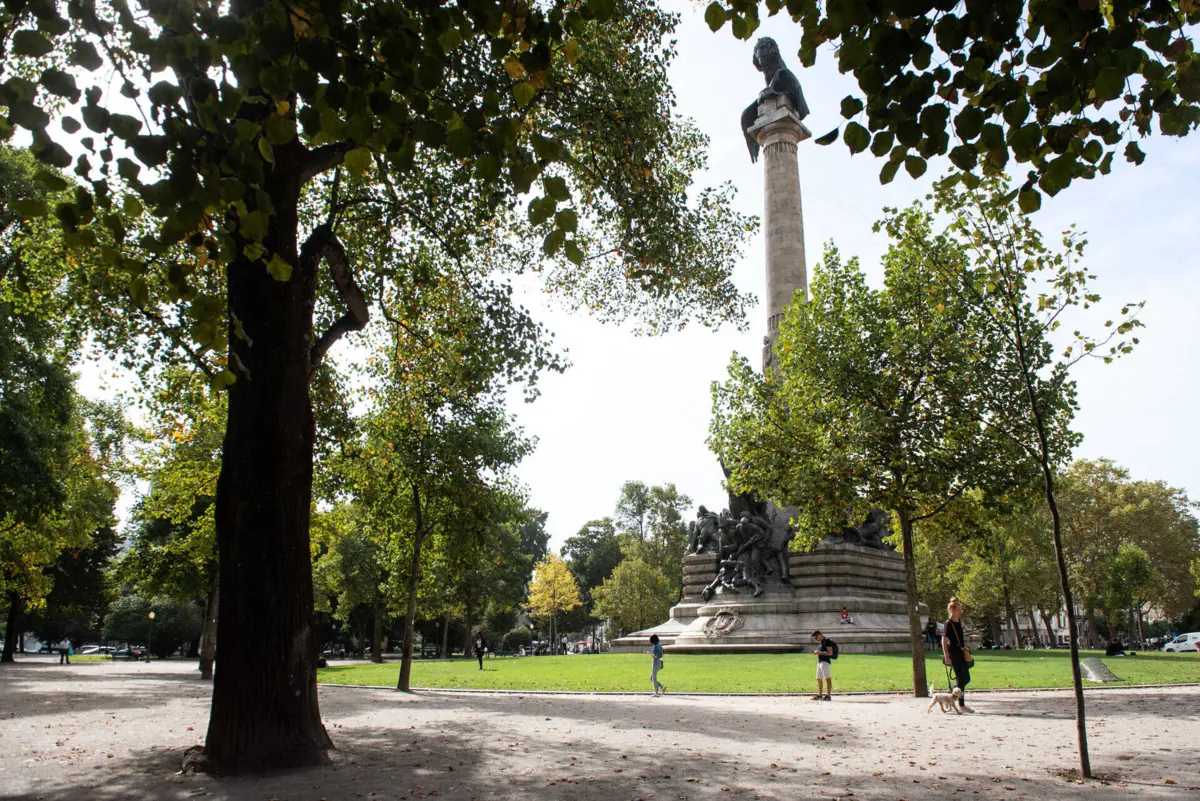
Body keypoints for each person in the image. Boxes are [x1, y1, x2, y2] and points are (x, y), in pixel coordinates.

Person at [942, 597, 974, 713]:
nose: (961, 612)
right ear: (953, 610)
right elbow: (944, 640)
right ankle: (962, 705)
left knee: (966, 678)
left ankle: (953, 692)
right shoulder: (948, 623)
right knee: (961, 678)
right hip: (953, 653)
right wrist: (946, 656)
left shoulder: (959, 622)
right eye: (959, 610)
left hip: (961, 653)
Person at [811, 630, 835, 701]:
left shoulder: (827, 641)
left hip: (825, 662)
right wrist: (817, 653)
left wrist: (819, 652)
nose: (816, 639)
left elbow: (830, 653)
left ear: (819, 634)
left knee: (827, 679)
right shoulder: (821, 642)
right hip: (820, 662)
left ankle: (828, 696)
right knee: (818, 678)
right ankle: (820, 695)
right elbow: (822, 652)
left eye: (816, 637)